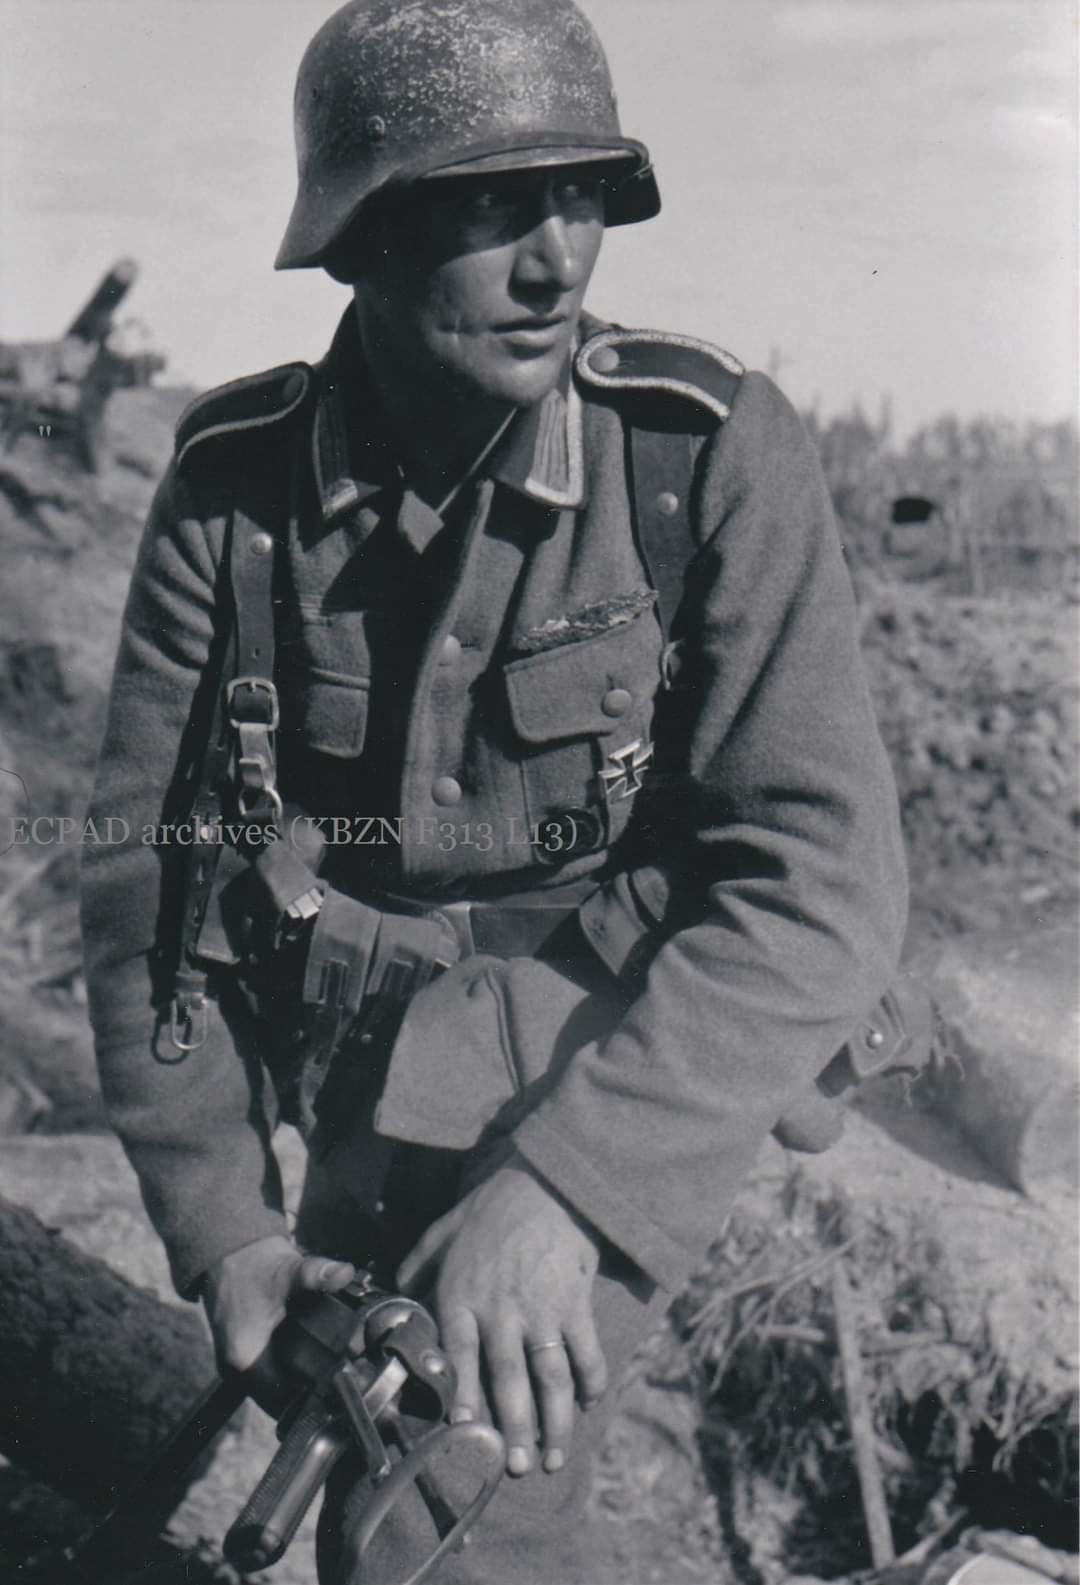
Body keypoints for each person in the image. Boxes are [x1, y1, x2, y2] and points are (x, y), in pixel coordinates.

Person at [80, 1, 908, 1579]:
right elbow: (147, 890)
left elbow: (821, 875)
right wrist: (226, 1228)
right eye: (496, 206)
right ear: (364, 238)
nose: (559, 261)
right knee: (356, 1442)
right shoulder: (234, 493)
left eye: (582, 198)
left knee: (442, 1511)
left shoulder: (700, 455)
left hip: (628, 1046)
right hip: (366, 1060)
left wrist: (570, 1193)